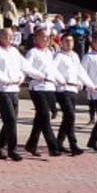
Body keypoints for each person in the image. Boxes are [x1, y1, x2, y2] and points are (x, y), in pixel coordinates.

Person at [23, 28, 61, 157]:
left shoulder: (50, 52)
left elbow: (53, 70)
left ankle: (31, 144)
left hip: (49, 87)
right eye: (43, 37)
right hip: (37, 87)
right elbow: (26, 68)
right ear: (36, 38)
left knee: (40, 117)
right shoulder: (32, 52)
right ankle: (53, 146)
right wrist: (38, 75)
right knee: (45, 114)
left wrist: (60, 80)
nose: (46, 39)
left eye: (48, 37)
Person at [0, 29, 25, 161]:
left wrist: (21, 77)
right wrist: (2, 78)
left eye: (10, 36)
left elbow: (23, 66)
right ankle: (12, 149)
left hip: (14, 89)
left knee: (11, 121)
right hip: (2, 89)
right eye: (5, 35)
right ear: (0, 37)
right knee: (10, 120)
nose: (8, 38)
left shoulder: (14, 51)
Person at [52, 34, 89, 155]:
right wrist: (60, 79)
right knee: (71, 116)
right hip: (63, 89)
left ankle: (58, 142)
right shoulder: (58, 56)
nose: (69, 43)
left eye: (71, 41)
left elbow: (79, 71)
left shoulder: (75, 56)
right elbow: (52, 69)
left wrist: (85, 83)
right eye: (66, 41)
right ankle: (73, 144)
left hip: (73, 89)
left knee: (67, 118)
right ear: (61, 43)